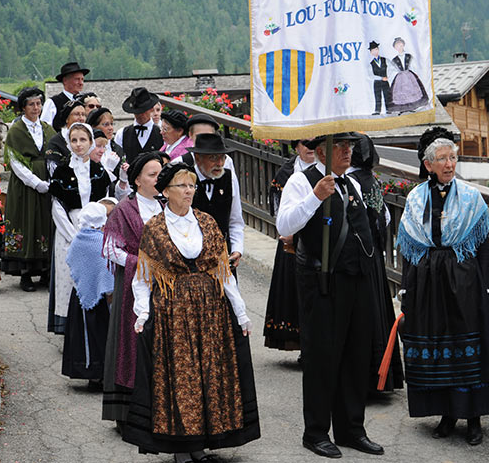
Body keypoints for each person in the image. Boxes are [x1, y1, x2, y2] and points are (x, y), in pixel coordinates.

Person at [121, 162, 260, 462]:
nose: (189, 191)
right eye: (182, 186)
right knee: (180, 378)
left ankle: (200, 444)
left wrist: (241, 312)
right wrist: (142, 313)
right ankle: (181, 448)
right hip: (173, 313)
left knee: (208, 376)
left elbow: (223, 274)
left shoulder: (207, 222)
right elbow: (143, 277)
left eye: (192, 185)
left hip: (211, 312)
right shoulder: (155, 228)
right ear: (167, 192)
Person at [276, 132, 384, 459]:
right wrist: (314, 197)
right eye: (340, 146)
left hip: (357, 279)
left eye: (349, 146)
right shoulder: (301, 180)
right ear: (322, 151)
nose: (347, 151)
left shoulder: (351, 184)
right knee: (323, 357)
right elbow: (285, 225)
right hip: (321, 280)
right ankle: (316, 432)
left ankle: (352, 428)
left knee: (355, 354)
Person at [396, 127, 489, 445]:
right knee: (437, 348)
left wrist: (486, 288)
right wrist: (406, 289)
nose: (449, 164)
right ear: (428, 165)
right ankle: (446, 414)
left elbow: (483, 246)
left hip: (465, 282)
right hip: (428, 283)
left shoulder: (471, 198)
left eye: (453, 157)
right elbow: (409, 248)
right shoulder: (416, 199)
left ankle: (474, 419)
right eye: (442, 159)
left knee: (466, 346)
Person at [101, 151, 165, 424]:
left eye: (161, 174)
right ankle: (128, 413)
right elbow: (109, 248)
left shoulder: (167, 206)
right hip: (131, 283)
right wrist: (139, 262)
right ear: (137, 180)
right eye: (152, 175)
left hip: (165, 283)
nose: (158, 180)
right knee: (131, 342)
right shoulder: (124, 210)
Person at [347, 133, 404, 394]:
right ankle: (384, 377)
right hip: (377, 260)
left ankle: (363, 379)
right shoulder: (372, 181)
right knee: (379, 313)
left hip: (357, 259)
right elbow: (386, 220)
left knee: (359, 315)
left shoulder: (348, 181)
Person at [48, 122, 111, 334]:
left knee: (94, 275)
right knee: (69, 276)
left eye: (83, 140)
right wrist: (74, 236)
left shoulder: (99, 170)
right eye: (73, 140)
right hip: (70, 228)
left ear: (91, 142)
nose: (78, 144)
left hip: (95, 229)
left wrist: (98, 228)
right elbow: (57, 207)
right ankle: (70, 328)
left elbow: (108, 201)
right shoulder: (62, 171)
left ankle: (93, 325)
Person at [263, 139, 315, 354]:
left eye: (315, 142)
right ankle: (298, 341)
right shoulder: (286, 173)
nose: (310, 147)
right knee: (292, 290)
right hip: (291, 242)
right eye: (305, 143)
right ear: (296, 147)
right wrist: (289, 234)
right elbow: (279, 212)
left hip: (313, 240)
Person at [2, 87, 55, 292]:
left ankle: (44, 271)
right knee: (25, 222)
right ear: (23, 107)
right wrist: (35, 182)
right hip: (25, 187)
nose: (36, 108)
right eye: (31, 104)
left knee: (43, 223)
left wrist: (50, 179)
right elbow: (15, 162)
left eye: (39, 104)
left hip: (46, 183)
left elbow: (54, 154)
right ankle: (25, 274)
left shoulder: (47, 129)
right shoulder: (16, 131)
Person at [63, 201, 114, 388]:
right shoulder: (102, 241)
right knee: (101, 335)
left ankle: (88, 372)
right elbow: (107, 270)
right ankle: (100, 374)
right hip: (101, 301)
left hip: (79, 295)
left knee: (84, 336)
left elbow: (71, 261)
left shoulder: (78, 239)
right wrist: (109, 290)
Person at [185, 133, 244, 271]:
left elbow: (235, 220)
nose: (220, 163)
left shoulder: (229, 178)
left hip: (223, 258)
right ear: (198, 158)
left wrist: (237, 249)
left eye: (222, 157)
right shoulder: (185, 179)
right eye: (213, 158)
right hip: (192, 260)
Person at [115, 87, 163, 165]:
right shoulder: (122, 134)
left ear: (151, 109)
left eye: (144, 111)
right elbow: (117, 159)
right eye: (137, 112)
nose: (140, 115)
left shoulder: (161, 134)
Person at [45, 98, 88, 176]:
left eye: (83, 115)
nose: (81, 118)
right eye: (77, 114)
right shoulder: (56, 142)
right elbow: (53, 170)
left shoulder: (89, 140)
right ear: (67, 119)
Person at [41, 61, 89, 129]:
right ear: (65, 81)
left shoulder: (84, 102)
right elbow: (45, 129)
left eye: (82, 79)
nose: (81, 83)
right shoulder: (53, 103)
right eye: (77, 79)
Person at [388, 37, 428, 112]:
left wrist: (416, 73)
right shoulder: (394, 59)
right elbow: (391, 70)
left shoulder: (409, 56)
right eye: (397, 46)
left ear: (403, 45)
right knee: (401, 91)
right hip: (400, 77)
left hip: (409, 75)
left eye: (400, 45)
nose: (399, 47)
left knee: (412, 89)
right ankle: (404, 108)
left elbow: (414, 65)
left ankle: (413, 106)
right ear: (395, 48)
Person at [368, 41, 391, 115]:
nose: (375, 51)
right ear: (371, 52)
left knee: (387, 95)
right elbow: (370, 75)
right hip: (377, 82)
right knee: (377, 96)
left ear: (378, 49)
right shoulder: (371, 64)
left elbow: (391, 68)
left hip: (385, 81)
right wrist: (381, 78)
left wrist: (388, 77)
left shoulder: (385, 60)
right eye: (373, 50)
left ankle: (389, 109)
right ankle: (377, 110)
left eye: (376, 49)